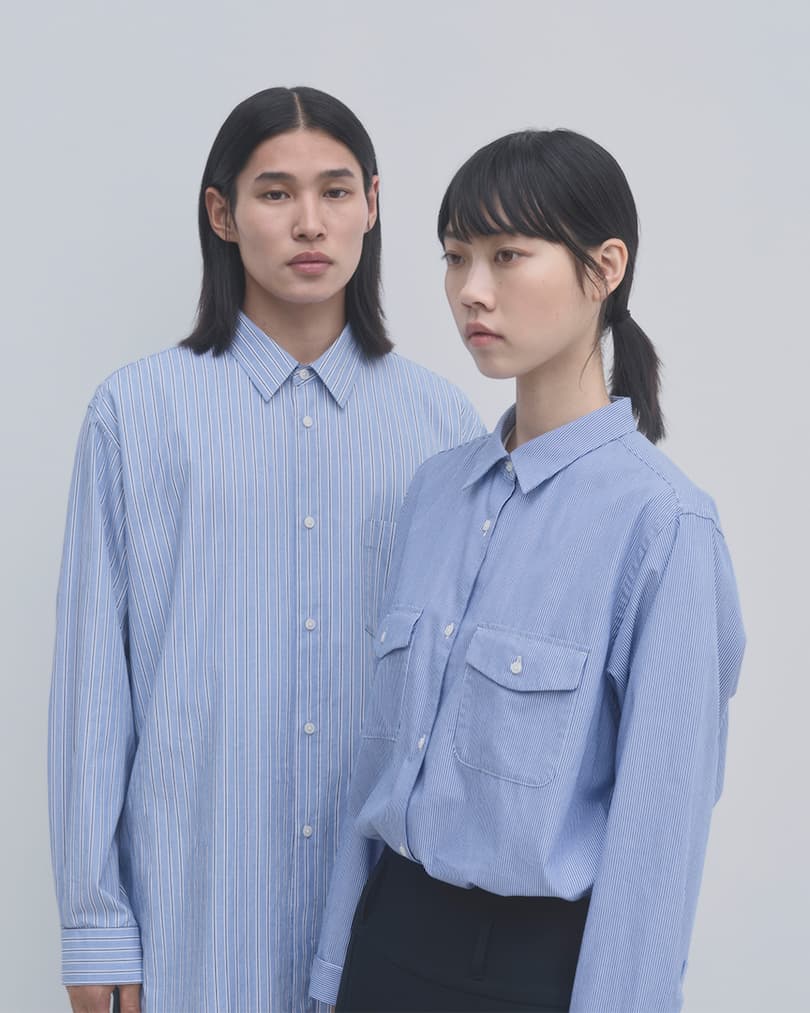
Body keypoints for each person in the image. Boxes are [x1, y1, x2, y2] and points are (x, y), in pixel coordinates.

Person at [48, 85, 484, 1013]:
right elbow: (93, 692)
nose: (309, 222)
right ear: (222, 213)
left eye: (335, 191)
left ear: (373, 203)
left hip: (390, 936)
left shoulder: (442, 426)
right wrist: (94, 927)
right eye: (276, 192)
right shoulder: (136, 414)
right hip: (194, 927)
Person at [310, 128, 746, 1012]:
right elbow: (377, 763)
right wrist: (331, 973)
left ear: (605, 267)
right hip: (384, 944)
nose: (472, 290)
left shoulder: (663, 526)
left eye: (508, 254)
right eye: (456, 257)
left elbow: (656, 845)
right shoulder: (435, 493)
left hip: (525, 975)